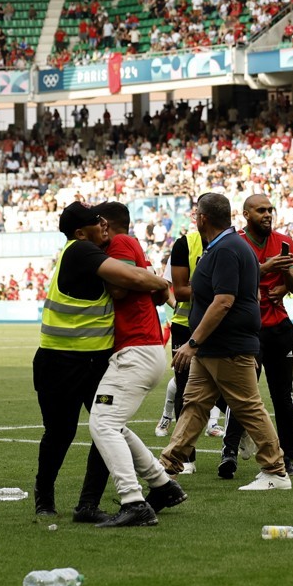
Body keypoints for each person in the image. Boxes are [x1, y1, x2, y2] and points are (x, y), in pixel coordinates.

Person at [33, 202, 172, 518]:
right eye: (96, 222)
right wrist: (161, 283)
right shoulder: (81, 251)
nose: (103, 225)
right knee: (61, 432)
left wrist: (146, 275)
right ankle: (45, 500)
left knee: (105, 427)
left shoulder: (96, 250)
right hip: (60, 362)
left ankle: (88, 504)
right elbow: (131, 281)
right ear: (81, 233)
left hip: (94, 361)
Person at [160, 193, 292, 491]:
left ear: (202, 218)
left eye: (196, 215)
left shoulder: (225, 249)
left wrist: (192, 342)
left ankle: (276, 471)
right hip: (214, 347)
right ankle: (167, 468)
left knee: (248, 407)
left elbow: (223, 301)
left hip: (228, 346)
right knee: (194, 406)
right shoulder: (228, 246)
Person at [85, 201, 188, 527]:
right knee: (111, 423)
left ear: (104, 223)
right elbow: (157, 293)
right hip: (141, 348)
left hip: (136, 351)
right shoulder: (131, 246)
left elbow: (118, 287)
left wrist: (148, 279)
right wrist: (153, 279)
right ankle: (162, 486)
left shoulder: (120, 243)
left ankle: (133, 501)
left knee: (102, 424)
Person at [218, 194, 293, 479]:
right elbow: (234, 282)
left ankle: (288, 456)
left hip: (279, 328)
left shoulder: (285, 242)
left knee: (283, 395)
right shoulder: (235, 243)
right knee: (242, 395)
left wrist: (287, 281)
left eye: (270, 210)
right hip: (246, 329)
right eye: (261, 210)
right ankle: (229, 453)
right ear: (246, 214)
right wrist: (266, 268)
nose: (268, 214)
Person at [159, 203, 227, 454]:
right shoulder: (184, 244)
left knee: (227, 385)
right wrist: (217, 292)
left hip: (220, 324)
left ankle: (235, 433)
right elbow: (176, 288)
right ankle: (186, 458)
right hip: (184, 326)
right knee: (183, 388)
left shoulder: (230, 243)